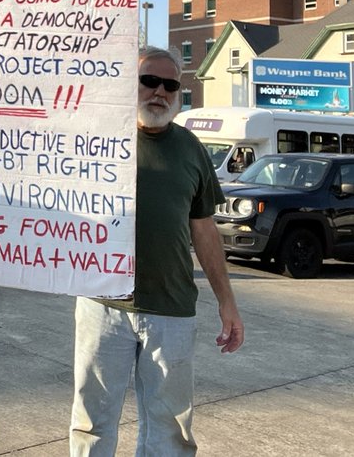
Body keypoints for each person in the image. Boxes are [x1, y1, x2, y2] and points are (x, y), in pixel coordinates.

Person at [71, 46, 244, 456]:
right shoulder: (96, 140)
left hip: (172, 309)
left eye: (171, 85)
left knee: (169, 429)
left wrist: (227, 302)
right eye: (149, 80)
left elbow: (204, 230)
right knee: (91, 422)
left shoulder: (192, 149)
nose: (159, 92)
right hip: (103, 303)